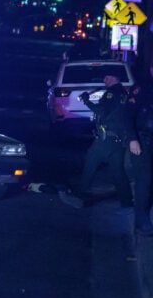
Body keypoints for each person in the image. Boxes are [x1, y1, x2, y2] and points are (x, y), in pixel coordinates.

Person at [59, 74, 137, 216]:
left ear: (115, 79)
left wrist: (86, 101)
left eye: (107, 78)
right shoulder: (123, 94)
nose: (104, 81)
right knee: (118, 171)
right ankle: (126, 202)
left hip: (106, 140)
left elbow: (101, 111)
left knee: (90, 161)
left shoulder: (111, 93)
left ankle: (79, 194)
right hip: (117, 139)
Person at [127, 63, 153, 235]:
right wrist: (132, 139)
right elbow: (127, 115)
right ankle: (141, 221)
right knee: (144, 180)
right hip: (143, 139)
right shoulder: (141, 88)